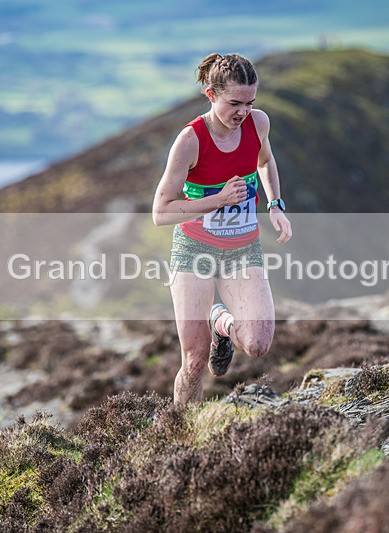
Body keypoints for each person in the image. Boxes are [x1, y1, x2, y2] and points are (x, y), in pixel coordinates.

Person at [152, 52, 292, 404]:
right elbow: (161, 212)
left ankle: (221, 324)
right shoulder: (190, 140)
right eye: (234, 103)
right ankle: (182, 429)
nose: (242, 112)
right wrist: (219, 199)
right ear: (211, 94)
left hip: (243, 249)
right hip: (194, 251)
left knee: (257, 344)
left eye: (249, 102)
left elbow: (265, 161)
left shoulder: (258, 124)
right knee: (195, 359)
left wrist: (275, 204)